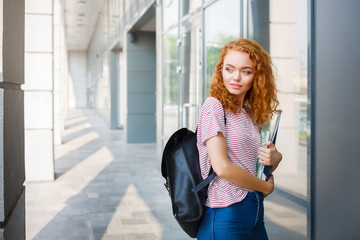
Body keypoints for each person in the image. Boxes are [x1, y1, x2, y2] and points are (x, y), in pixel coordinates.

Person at [196, 38, 282, 240]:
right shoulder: (213, 106)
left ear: (257, 76)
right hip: (225, 213)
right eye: (229, 69)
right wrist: (266, 187)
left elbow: (251, 167)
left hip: (254, 211)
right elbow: (223, 168)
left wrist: (275, 159)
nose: (236, 77)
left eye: (246, 71)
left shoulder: (250, 113)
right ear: (220, 71)